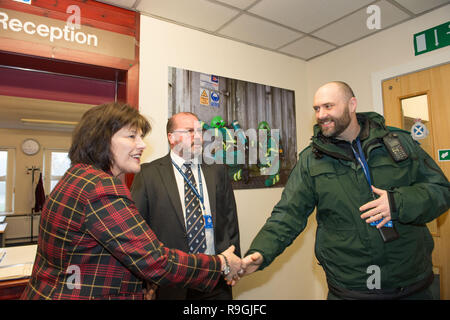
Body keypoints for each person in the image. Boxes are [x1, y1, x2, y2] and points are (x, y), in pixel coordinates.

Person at [241, 81, 450, 300]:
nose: (321, 114)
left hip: (411, 285)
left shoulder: (400, 144)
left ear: (352, 104)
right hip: (349, 289)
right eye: (317, 108)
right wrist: (261, 252)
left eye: (328, 106)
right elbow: (287, 214)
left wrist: (398, 202)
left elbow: (441, 190)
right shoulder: (311, 160)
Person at [20, 103, 241, 300]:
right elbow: (156, 261)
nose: (142, 145)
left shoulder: (76, 177)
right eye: (131, 136)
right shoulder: (102, 188)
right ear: (102, 140)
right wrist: (221, 263)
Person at [131, 112, 241, 300]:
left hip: (216, 281)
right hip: (170, 284)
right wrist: (143, 281)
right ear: (171, 138)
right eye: (190, 131)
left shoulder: (217, 172)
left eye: (199, 131)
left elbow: (230, 223)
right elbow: (137, 231)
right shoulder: (148, 174)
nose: (198, 137)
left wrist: (233, 265)